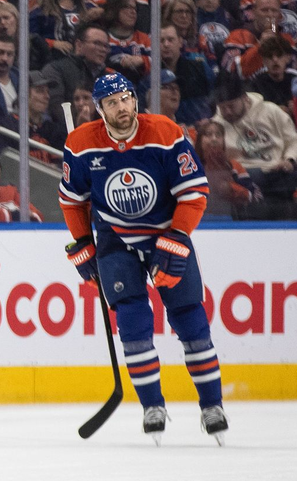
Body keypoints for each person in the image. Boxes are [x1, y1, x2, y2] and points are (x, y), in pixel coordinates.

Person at [59, 73, 228, 444]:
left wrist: (178, 237)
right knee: (133, 326)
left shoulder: (164, 131)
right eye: (112, 102)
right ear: (99, 109)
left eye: (126, 99)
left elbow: (195, 194)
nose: (122, 107)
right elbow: (73, 201)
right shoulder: (82, 142)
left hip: (166, 235)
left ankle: (212, 406)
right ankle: (153, 406)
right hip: (115, 240)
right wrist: (83, 242)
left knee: (191, 321)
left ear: (135, 100)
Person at [211, 71, 297, 207]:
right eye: (223, 108)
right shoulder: (216, 126)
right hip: (244, 178)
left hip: (279, 175)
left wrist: (289, 160)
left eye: (231, 106)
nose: (227, 112)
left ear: (245, 98)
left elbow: (293, 140)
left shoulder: (271, 111)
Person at [159, 25, 212, 125]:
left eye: (170, 40)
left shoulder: (199, 68)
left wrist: (210, 119)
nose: (166, 44)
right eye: (161, 41)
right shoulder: (151, 75)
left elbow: (215, 97)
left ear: (180, 42)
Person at [248, 34, 297, 113]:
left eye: (279, 55)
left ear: (288, 58)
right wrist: (275, 111)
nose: (275, 60)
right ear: (263, 61)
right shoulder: (256, 85)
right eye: (269, 56)